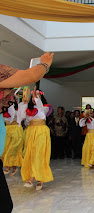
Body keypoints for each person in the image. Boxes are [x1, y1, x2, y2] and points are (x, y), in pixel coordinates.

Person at [0, 52, 54, 211]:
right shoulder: (24, 107)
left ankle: (38, 177)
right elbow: (31, 76)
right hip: (29, 131)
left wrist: (34, 95)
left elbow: (36, 102)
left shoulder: (42, 107)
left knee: (38, 154)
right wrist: (44, 64)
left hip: (40, 132)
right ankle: (31, 176)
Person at [18, 88, 54, 191]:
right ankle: (37, 178)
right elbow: (22, 117)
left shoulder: (44, 108)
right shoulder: (29, 109)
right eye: (33, 96)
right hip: (31, 132)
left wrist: (36, 97)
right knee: (30, 154)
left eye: (38, 96)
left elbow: (40, 108)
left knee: (39, 154)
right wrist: (24, 103)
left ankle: (32, 179)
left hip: (41, 132)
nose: (35, 98)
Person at [2, 101, 24, 176]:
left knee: (13, 148)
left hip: (16, 129)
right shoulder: (3, 109)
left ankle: (8, 167)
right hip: (7, 129)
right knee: (6, 149)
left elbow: (14, 114)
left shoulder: (17, 110)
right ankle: (14, 167)